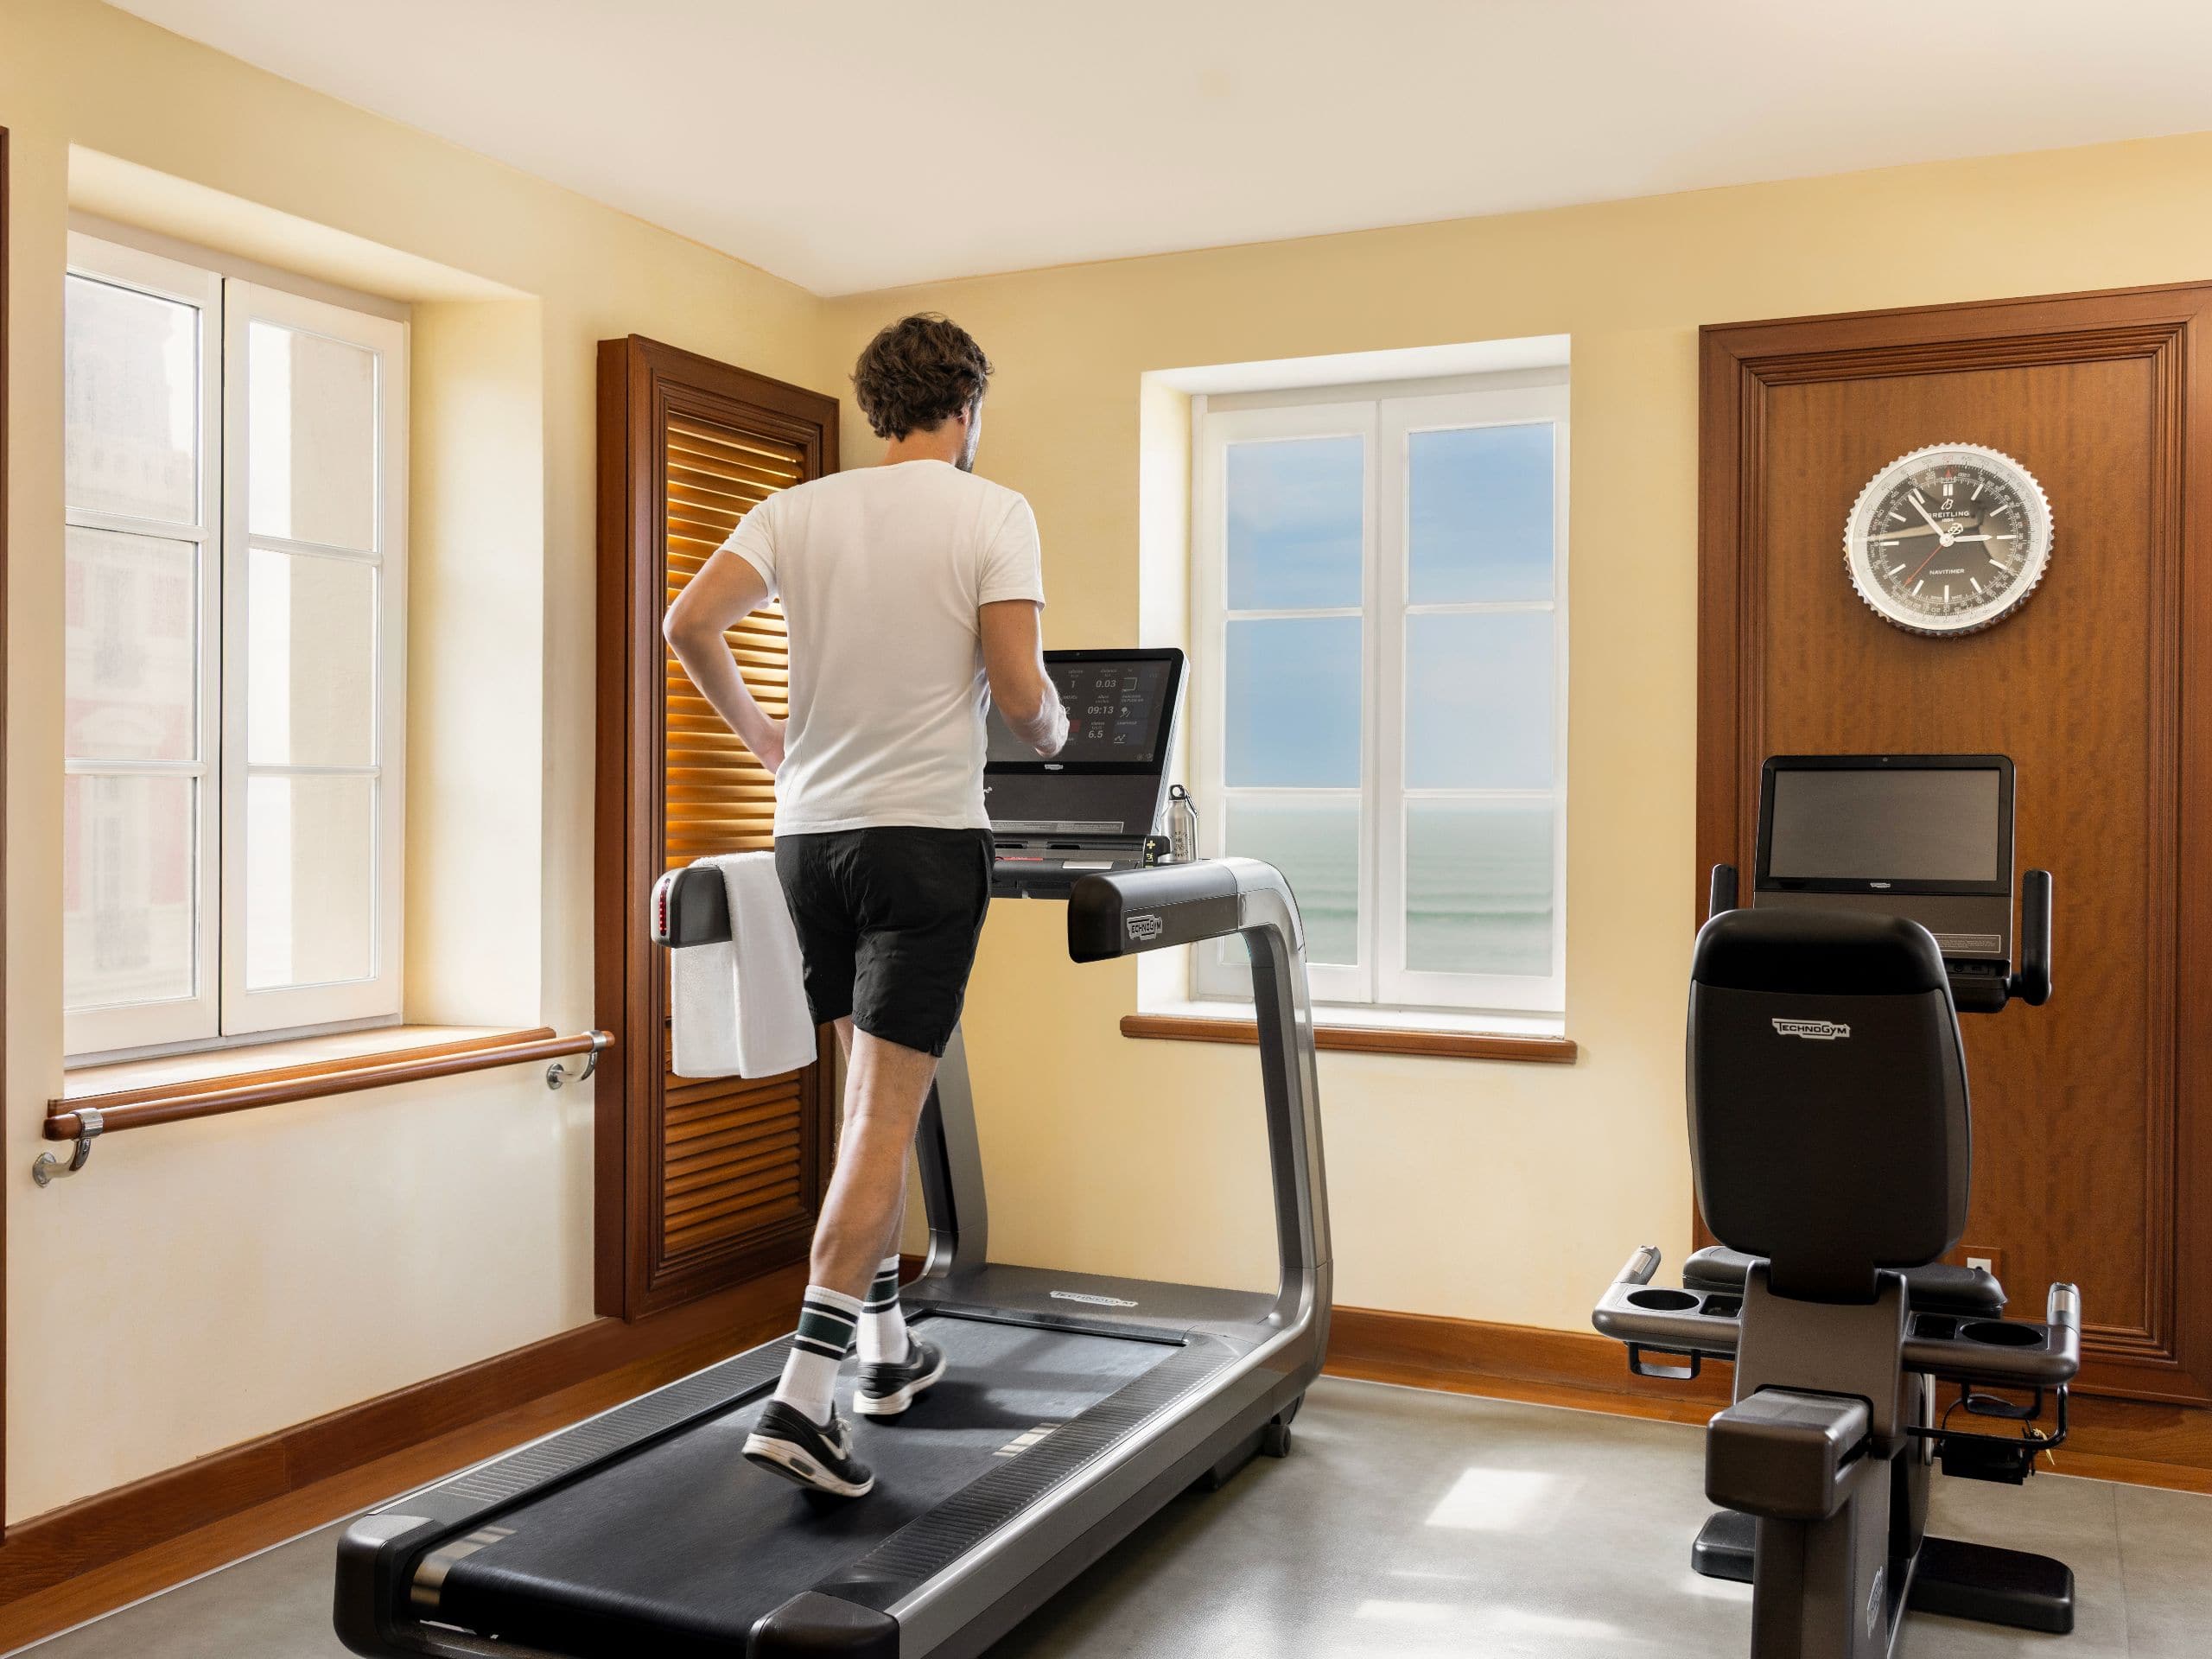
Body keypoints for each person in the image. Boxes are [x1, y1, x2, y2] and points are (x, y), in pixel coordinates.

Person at [663, 314, 1068, 1497]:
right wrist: (1053, 729)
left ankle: (885, 1351)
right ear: (969, 410)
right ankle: (802, 1399)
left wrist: (764, 739)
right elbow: (1015, 687)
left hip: (810, 842)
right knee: (884, 1123)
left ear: (882, 409)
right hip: (924, 846)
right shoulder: (993, 512)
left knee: (862, 1104)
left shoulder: (799, 509)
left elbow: (687, 624)